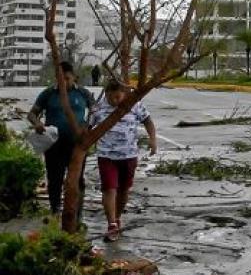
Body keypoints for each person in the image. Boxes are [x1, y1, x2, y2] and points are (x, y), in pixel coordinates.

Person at [89, 79, 156, 242]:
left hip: (129, 154)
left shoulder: (134, 104)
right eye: (112, 98)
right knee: (109, 188)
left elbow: (148, 120)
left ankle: (117, 217)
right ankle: (111, 223)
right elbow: (87, 128)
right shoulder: (98, 108)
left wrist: (153, 140)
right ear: (106, 94)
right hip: (106, 155)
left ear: (124, 94)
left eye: (118, 97)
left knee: (124, 190)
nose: (115, 101)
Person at [27, 61, 95, 218]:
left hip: (76, 144)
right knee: (54, 178)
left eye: (67, 78)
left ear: (74, 77)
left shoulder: (83, 93)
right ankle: (55, 210)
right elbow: (32, 114)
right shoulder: (48, 93)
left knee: (77, 179)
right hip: (54, 144)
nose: (63, 82)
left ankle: (77, 212)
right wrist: (37, 123)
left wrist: (86, 125)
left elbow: (95, 111)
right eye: (59, 78)